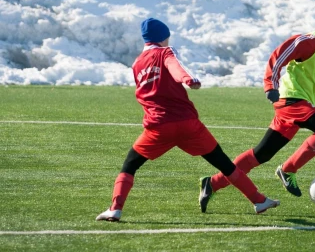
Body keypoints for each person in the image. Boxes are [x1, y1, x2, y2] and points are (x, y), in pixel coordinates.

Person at [197, 6, 315, 205]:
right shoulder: (310, 41)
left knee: (261, 154)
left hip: (299, 108)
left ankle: (212, 183)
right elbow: (278, 56)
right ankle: (288, 169)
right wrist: (270, 85)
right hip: (291, 100)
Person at [96, 18, 279, 222]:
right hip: (187, 124)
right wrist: (187, 79)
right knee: (225, 164)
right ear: (162, 37)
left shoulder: (137, 63)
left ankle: (115, 209)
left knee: (130, 165)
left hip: (158, 127)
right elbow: (174, 66)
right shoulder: (166, 52)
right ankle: (258, 200)